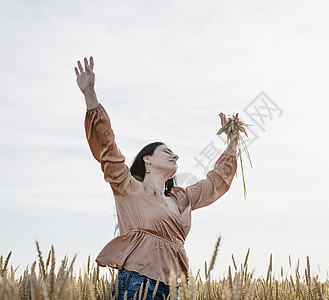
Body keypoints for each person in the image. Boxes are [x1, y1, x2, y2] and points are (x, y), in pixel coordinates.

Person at [74, 56, 238, 299]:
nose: (175, 155)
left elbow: (216, 184)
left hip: (172, 289)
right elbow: (108, 148)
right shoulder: (128, 188)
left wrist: (232, 141)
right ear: (147, 159)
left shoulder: (182, 197)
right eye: (167, 151)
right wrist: (90, 94)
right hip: (137, 284)